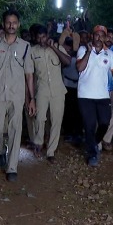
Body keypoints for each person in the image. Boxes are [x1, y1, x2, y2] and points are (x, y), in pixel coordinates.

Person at [0, 9, 35, 182]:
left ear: (18, 24)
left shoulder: (25, 47)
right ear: (3, 24)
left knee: (15, 130)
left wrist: (31, 99)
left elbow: (29, 74)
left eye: (14, 22)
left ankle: (12, 168)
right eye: (8, 22)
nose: (11, 25)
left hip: (17, 95)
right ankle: (0, 151)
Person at [75, 25, 113, 167]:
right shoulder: (83, 49)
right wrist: (88, 52)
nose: (99, 37)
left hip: (103, 96)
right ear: (92, 36)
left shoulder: (109, 54)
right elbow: (79, 68)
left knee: (104, 123)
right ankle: (92, 153)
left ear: (105, 37)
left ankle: (92, 143)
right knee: (90, 125)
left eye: (102, 35)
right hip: (85, 95)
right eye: (96, 35)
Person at [28, 25, 72, 163]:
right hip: (41, 89)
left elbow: (68, 62)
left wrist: (53, 47)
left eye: (44, 37)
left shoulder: (58, 47)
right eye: (39, 37)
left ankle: (51, 151)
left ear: (48, 35)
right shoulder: (32, 51)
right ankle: (39, 143)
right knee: (39, 118)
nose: (42, 40)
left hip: (58, 90)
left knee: (56, 120)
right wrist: (31, 97)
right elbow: (31, 74)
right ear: (35, 38)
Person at [59, 26, 83, 143]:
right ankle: (68, 132)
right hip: (67, 84)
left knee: (78, 110)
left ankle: (77, 132)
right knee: (68, 109)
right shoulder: (63, 54)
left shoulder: (81, 53)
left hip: (79, 86)